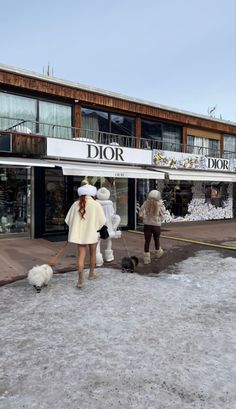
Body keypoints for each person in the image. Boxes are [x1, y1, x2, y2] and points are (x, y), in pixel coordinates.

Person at [65, 184, 106, 288]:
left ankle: (80, 280)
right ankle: (91, 274)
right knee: (93, 254)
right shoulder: (96, 204)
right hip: (92, 234)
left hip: (80, 235)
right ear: (92, 194)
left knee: (81, 256)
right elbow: (102, 221)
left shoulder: (75, 204)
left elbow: (68, 220)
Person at [95, 187, 121, 266]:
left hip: (98, 224)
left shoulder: (96, 203)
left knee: (97, 241)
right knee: (109, 239)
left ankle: (98, 259)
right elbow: (112, 214)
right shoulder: (110, 203)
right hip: (108, 224)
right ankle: (108, 256)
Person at [138, 190, 165, 265]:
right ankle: (158, 253)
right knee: (156, 240)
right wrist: (160, 219)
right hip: (156, 225)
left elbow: (140, 213)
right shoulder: (160, 204)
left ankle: (146, 259)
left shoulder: (146, 203)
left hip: (147, 225)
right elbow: (163, 214)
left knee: (147, 242)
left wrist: (144, 218)